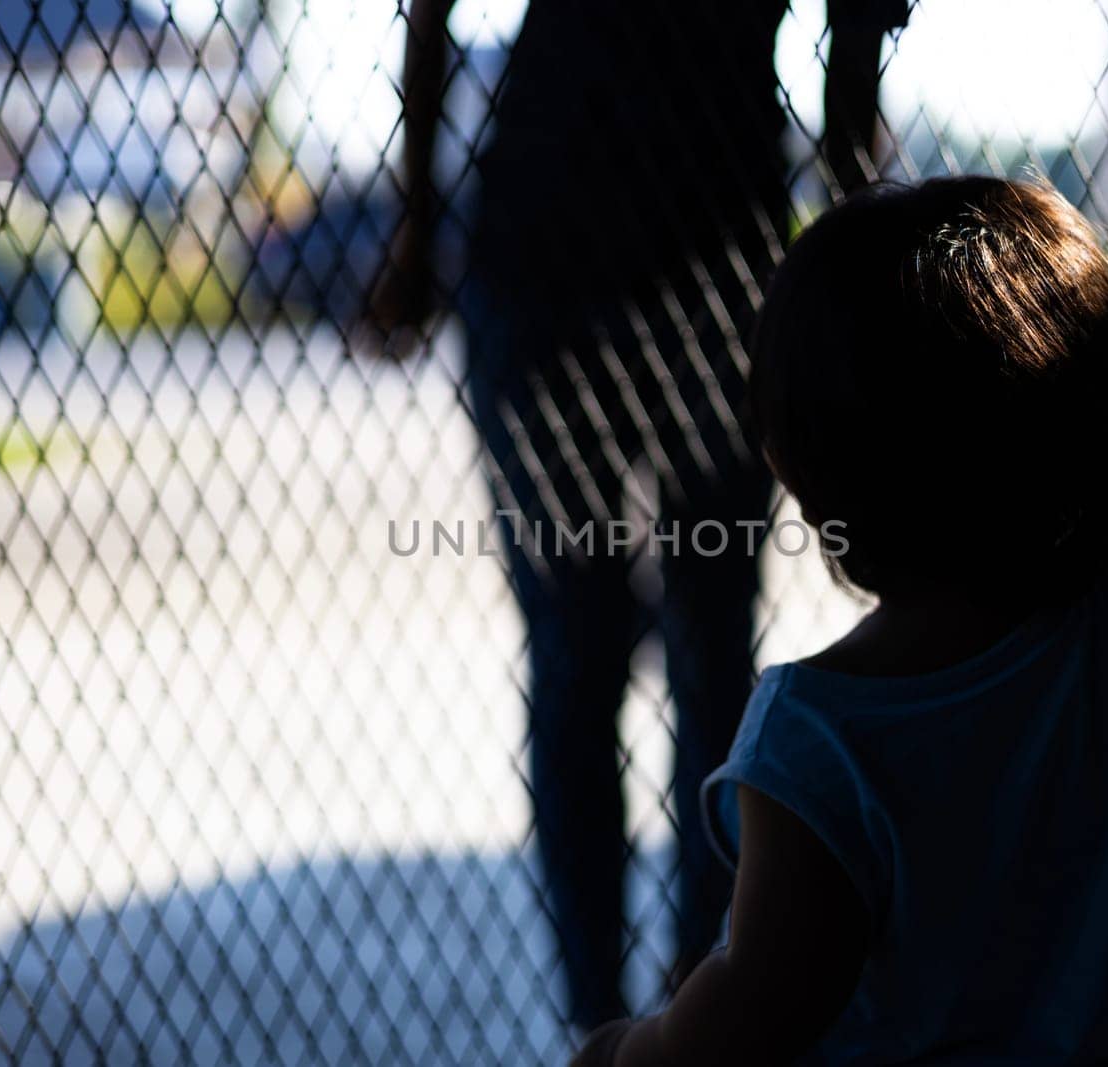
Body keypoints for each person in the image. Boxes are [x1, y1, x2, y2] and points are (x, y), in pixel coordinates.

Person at [571, 176, 1108, 1065]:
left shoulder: (821, 743)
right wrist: (1067, 403)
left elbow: (750, 1016)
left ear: (811, 485)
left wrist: (619, 1050)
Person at [368, 0, 911, 1034]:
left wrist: (421, 219)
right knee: (627, 648)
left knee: (660, 647)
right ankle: (627, 1013)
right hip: (614, 237)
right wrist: (417, 220)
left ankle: (686, 1000)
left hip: (652, 238)